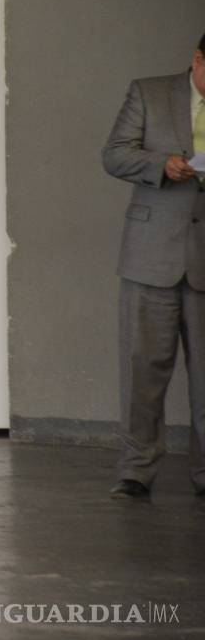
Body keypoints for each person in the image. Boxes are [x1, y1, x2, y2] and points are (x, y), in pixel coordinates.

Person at [101, 32, 205, 498]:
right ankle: (135, 471)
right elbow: (115, 154)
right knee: (143, 370)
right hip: (149, 254)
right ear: (197, 60)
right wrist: (162, 164)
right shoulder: (149, 91)